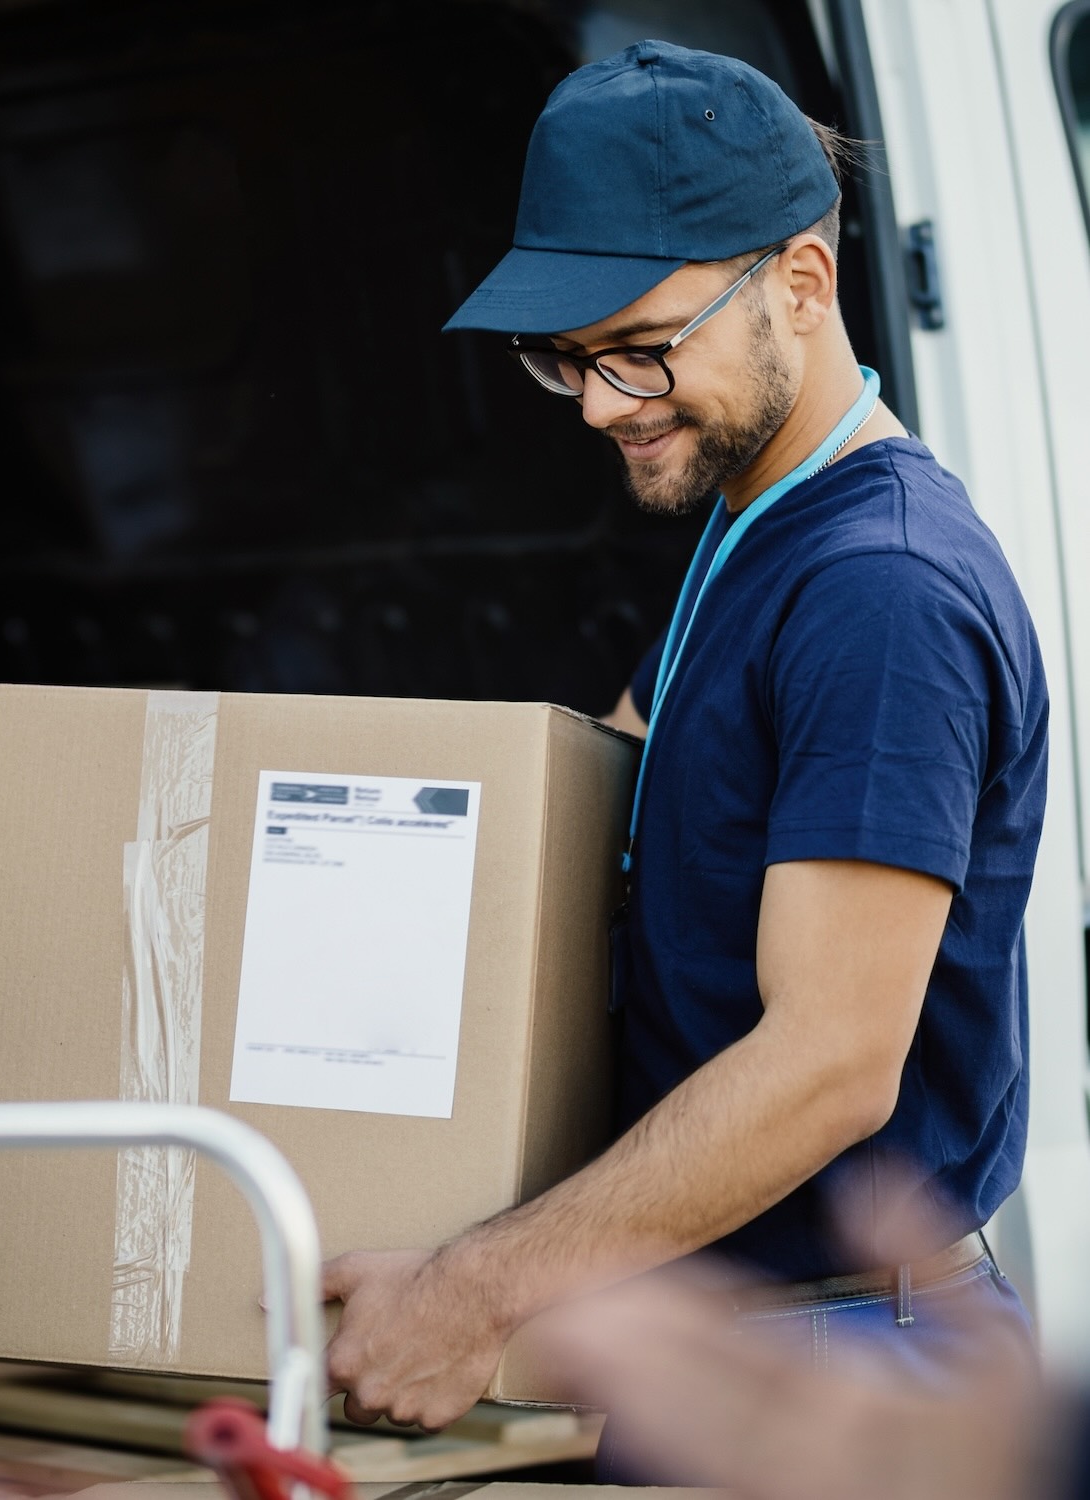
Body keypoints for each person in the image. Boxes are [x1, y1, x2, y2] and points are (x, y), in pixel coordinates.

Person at [320, 38, 1049, 1475]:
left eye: (641, 346)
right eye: (568, 359)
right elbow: (598, 785)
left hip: (845, 1375)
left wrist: (474, 1289)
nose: (602, 403)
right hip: (736, 1350)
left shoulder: (881, 593)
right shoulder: (753, 531)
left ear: (801, 283)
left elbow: (829, 1063)